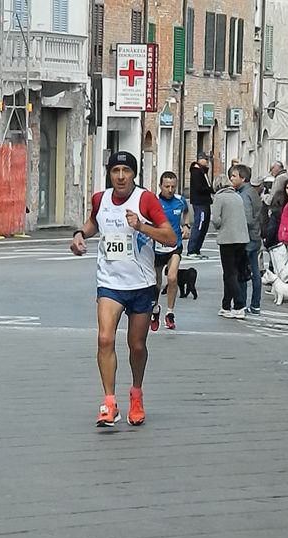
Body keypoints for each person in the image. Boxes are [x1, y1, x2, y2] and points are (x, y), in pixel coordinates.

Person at [70, 151, 177, 426]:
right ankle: (109, 402)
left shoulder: (145, 200)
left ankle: (136, 394)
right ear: (109, 173)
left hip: (141, 285)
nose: (120, 176)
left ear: (133, 174)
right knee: (105, 340)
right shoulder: (100, 198)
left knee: (136, 345)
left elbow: (170, 236)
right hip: (110, 283)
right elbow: (95, 222)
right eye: (115, 170)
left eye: (125, 171)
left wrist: (141, 225)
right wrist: (80, 235)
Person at [150, 171, 190, 331]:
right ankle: (155, 310)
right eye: (167, 186)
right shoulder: (153, 201)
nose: (170, 190)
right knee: (156, 283)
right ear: (160, 186)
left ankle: (170, 313)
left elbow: (187, 212)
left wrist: (186, 226)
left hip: (174, 246)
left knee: (172, 277)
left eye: (173, 186)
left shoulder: (180, 201)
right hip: (156, 248)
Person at [211, 174, 249, 319]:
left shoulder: (219, 198)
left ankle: (239, 305)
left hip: (227, 239)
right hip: (242, 238)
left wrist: (220, 225)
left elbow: (215, 219)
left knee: (229, 273)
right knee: (234, 273)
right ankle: (226, 305)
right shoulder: (237, 196)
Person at [230, 164, 262, 314]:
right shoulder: (253, 192)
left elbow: (247, 218)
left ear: (243, 178)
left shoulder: (244, 194)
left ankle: (241, 303)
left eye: (234, 176)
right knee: (254, 271)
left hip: (247, 238)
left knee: (242, 272)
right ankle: (255, 304)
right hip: (255, 236)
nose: (231, 178)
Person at [186, 150, 213, 259]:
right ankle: (192, 249)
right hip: (200, 202)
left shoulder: (203, 171)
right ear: (199, 159)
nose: (206, 161)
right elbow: (199, 187)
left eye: (207, 159)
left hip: (205, 202)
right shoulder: (196, 171)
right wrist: (210, 189)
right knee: (199, 225)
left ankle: (197, 249)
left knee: (204, 226)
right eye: (204, 159)